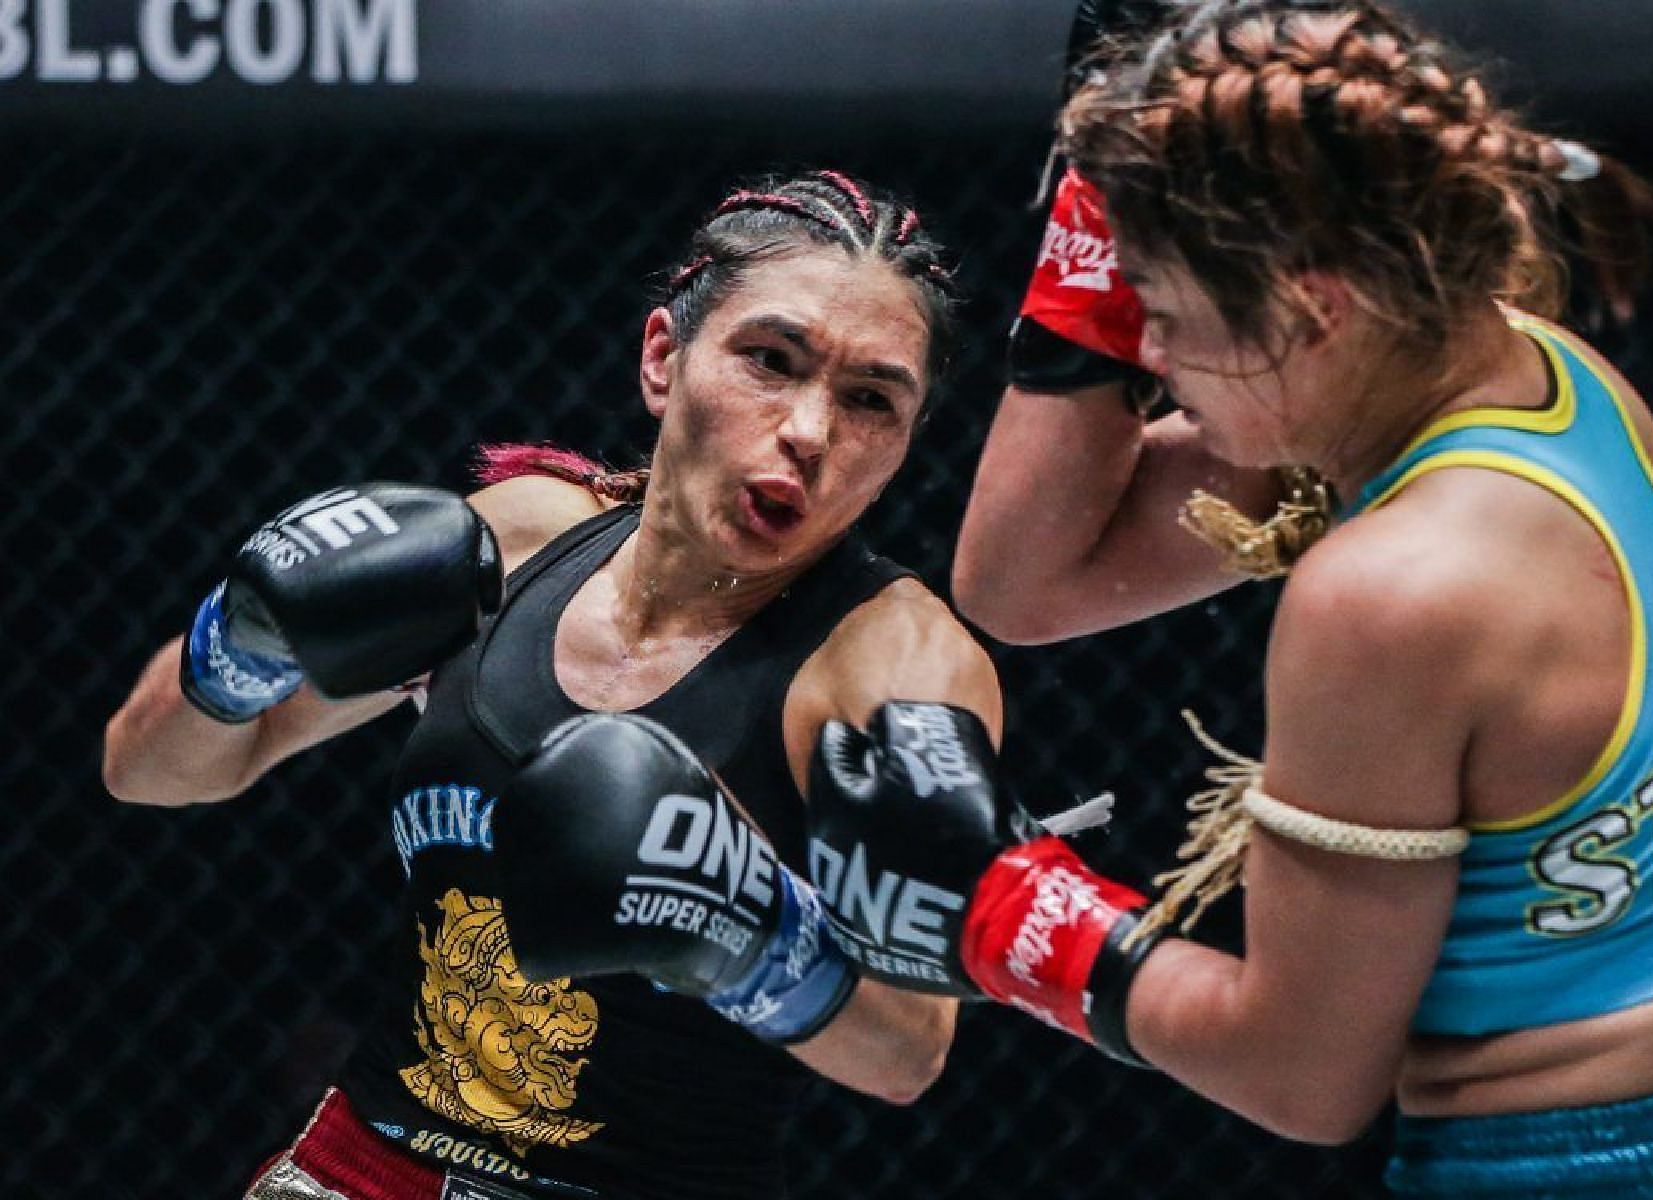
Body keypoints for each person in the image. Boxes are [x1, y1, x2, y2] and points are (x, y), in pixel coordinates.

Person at [800, 3, 1653, 1197]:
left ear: (1310, 311)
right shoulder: (1551, 380)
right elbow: (1027, 580)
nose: (1148, 361)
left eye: (1170, 320)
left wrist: (1007, 909)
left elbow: (1301, 1080)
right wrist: (1126, 179)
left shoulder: (1389, 598)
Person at [101, 170, 1002, 1200]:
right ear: (665, 357)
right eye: (771, 360)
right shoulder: (521, 539)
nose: (810, 428)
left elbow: (908, 1051)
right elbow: (152, 771)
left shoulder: (893, 663)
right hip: (361, 1172)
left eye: (871, 399)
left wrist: (750, 928)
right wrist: (235, 647)